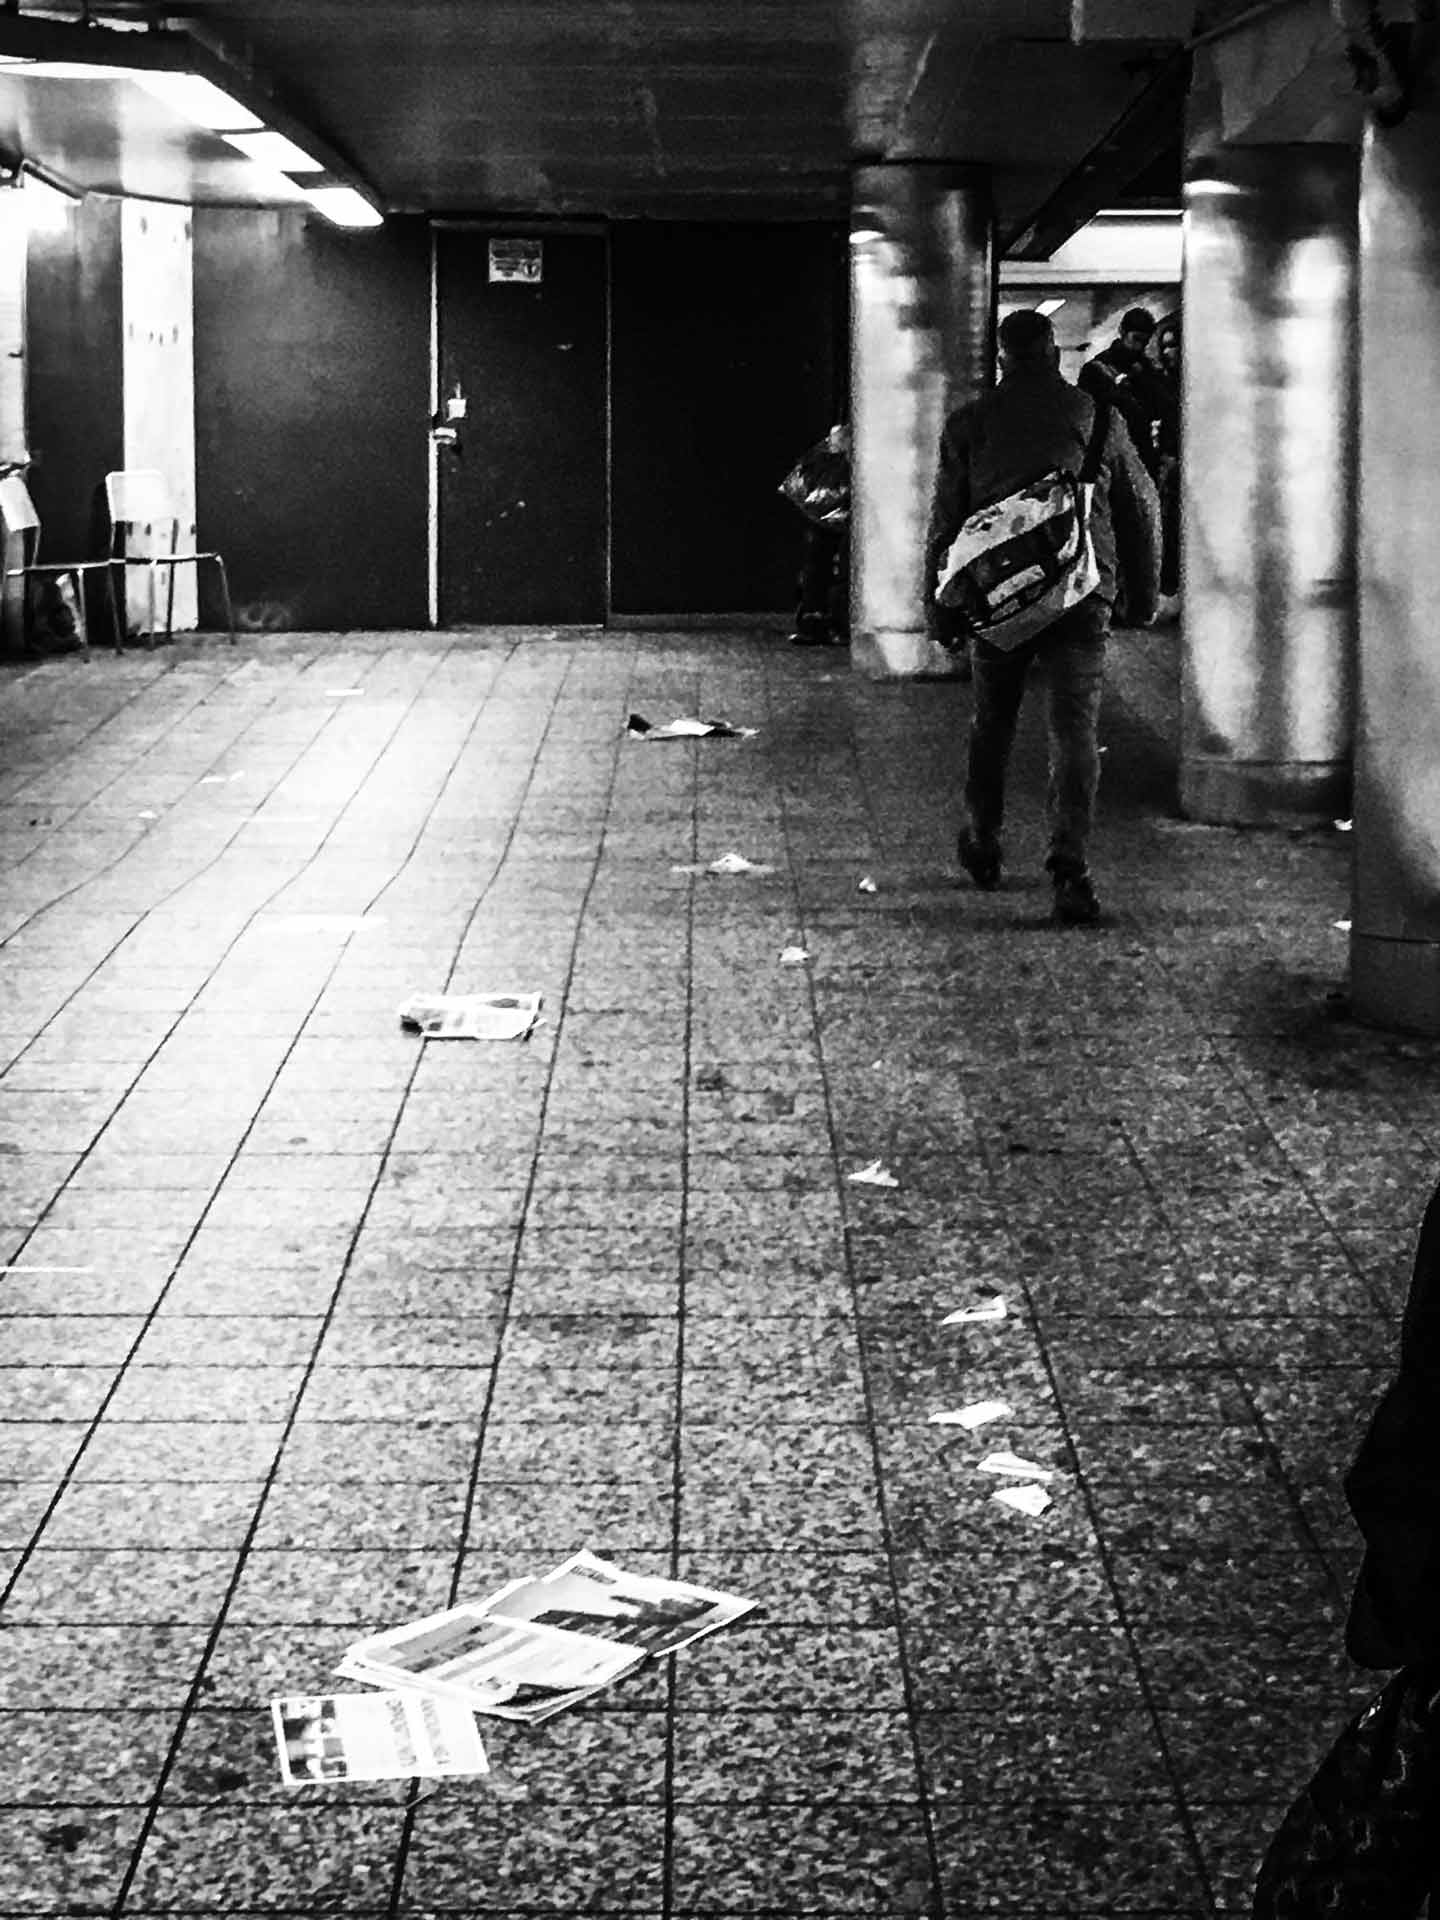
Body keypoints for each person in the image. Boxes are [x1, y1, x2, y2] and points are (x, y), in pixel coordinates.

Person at [924, 307, 1160, 926]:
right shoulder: (1098, 416)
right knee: (1074, 729)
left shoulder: (970, 423)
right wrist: (1143, 592)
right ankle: (1070, 869)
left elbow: (946, 521)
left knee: (992, 722)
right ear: (1054, 352)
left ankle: (981, 835)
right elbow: (1141, 507)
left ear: (1001, 358)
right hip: (1081, 592)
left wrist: (939, 603)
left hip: (999, 600)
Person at [1078, 306, 1167, 483]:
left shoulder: (1147, 370)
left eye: (1145, 341)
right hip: (1105, 457)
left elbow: (1159, 409)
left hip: (1140, 456)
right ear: (1122, 332)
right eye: (1136, 339)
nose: (1139, 347)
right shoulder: (1096, 370)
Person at [782, 423, 850, 647]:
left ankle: (819, 621)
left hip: (829, 515)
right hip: (836, 514)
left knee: (823, 564)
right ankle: (822, 621)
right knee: (824, 564)